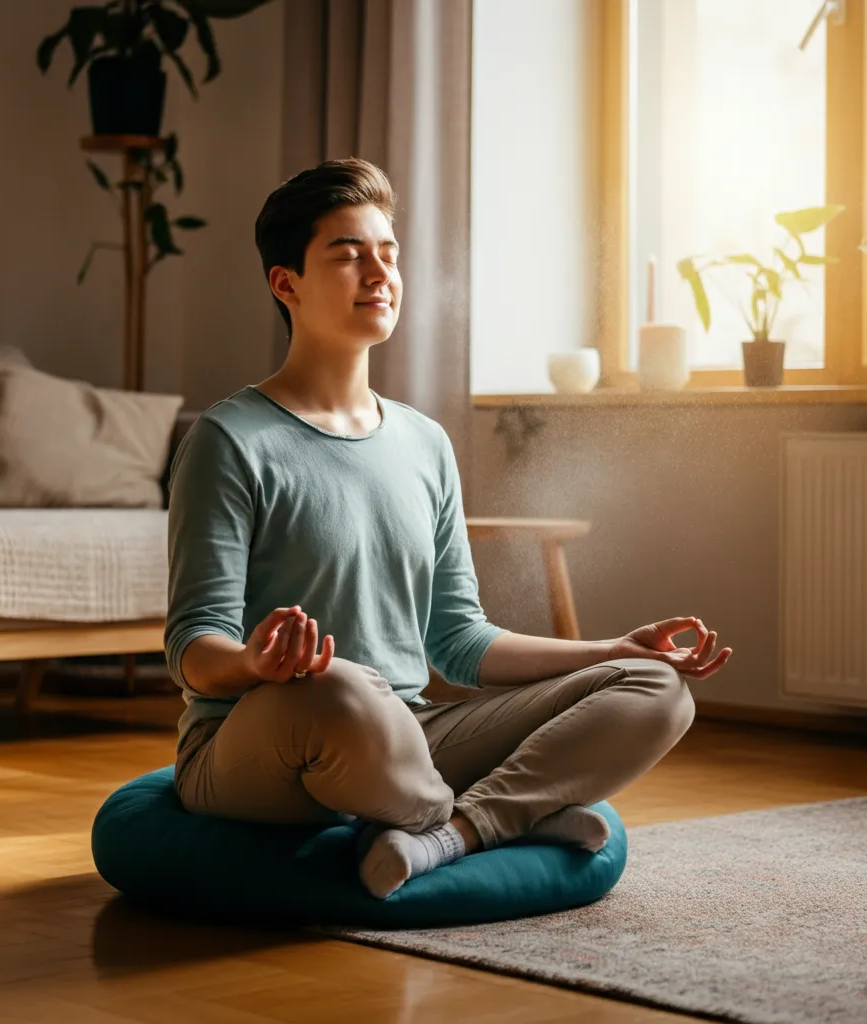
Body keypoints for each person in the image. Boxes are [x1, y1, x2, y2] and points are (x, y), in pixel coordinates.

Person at [164, 158, 731, 900]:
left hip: (409, 735)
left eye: (388, 255)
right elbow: (191, 649)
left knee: (655, 688)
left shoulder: (424, 442)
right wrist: (257, 667)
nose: (378, 272)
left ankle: (461, 832)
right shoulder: (229, 440)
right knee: (339, 690)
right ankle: (518, 814)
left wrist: (608, 648)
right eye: (347, 255)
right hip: (266, 738)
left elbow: (459, 641)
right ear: (286, 284)